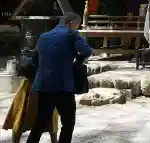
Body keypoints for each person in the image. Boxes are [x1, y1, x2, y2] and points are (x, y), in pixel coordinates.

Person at [26, 12, 92, 143]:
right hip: (63, 86)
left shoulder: (44, 36)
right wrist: (77, 60)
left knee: (40, 121)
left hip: (43, 85)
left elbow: (34, 60)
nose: (75, 28)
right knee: (68, 123)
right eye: (76, 25)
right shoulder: (71, 34)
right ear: (71, 23)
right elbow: (87, 51)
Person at [2, 69, 58, 143]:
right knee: (21, 117)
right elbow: (22, 71)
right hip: (32, 87)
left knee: (50, 121)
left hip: (43, 87)